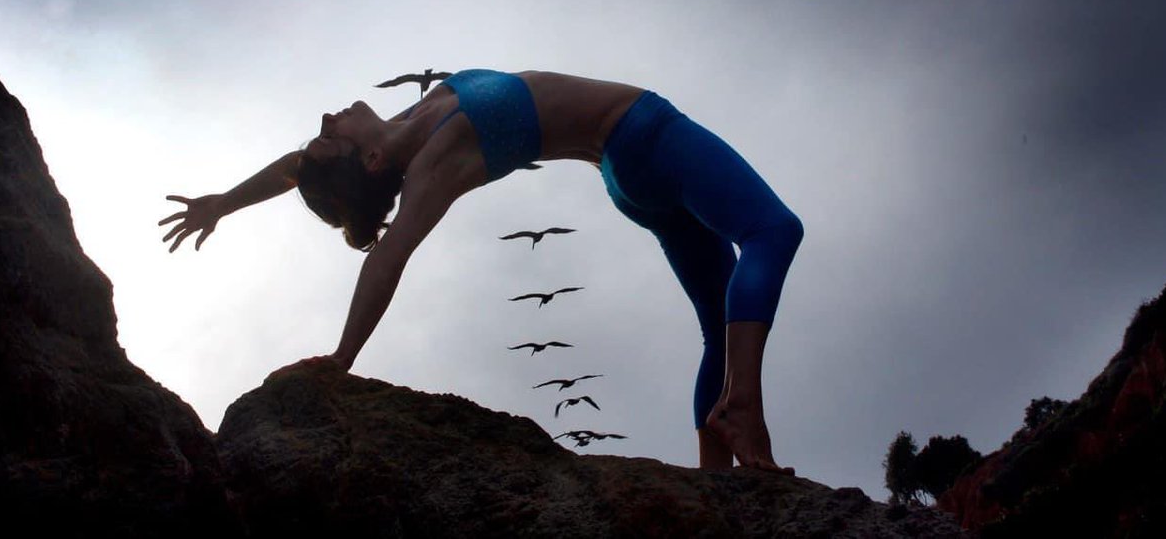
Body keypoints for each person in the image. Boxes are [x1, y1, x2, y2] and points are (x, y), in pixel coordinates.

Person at [159, 69, 803, 472]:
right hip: (644, 134)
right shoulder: (439, 157)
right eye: (331, 134)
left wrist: (224, 202)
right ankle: (740, 404)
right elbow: (390, 251)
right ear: (374, 158)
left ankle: (717, 484)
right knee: (773, 231)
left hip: (628, 175)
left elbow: (295, 166)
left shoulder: (413, 123)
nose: (326, 119)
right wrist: (342, 357)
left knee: (721, 329)